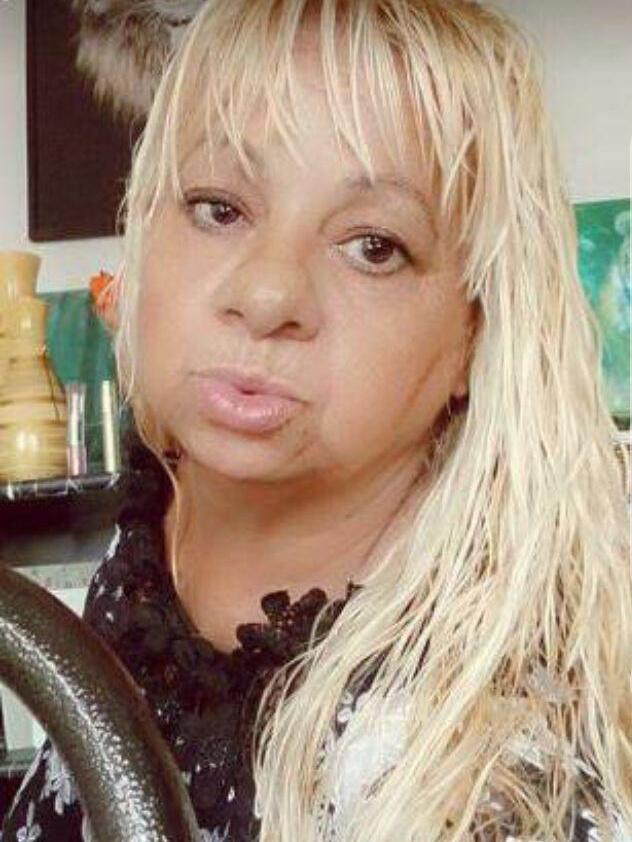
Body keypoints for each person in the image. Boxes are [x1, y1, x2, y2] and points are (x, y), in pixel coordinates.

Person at [3, 0, 630, 839]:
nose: (267, 296)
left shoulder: (499, 782)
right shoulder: (152, 534)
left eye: (373, 246)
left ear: (475, 333)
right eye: (219, 207)